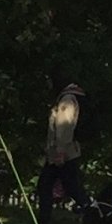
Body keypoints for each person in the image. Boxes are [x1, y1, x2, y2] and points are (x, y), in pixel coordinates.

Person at [38, 85, 87, 216]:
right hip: (63, 153)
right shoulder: (72, 98)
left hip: (63, 154)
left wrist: (60, 152)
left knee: (70, 187)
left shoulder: (67, 100)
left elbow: (63, 126)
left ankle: (91, 212)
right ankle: (43, 220)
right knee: (49, 185)